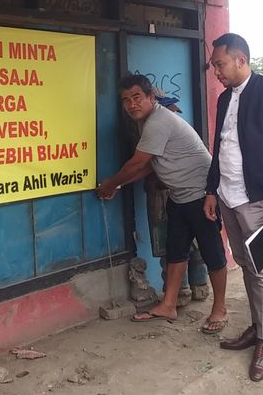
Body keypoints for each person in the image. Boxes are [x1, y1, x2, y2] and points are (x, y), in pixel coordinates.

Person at [96, 74, 229, 334]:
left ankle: (220, 308)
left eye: (136, 97)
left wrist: (110, 184)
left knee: (212, 253)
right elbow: (146, 167)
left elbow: (137, 163)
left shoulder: (158, 121)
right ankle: (168, 304)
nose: (131, 104)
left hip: (202, 196)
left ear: (150, 98)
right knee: (176, 251)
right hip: (179, 196)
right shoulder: (147, 124)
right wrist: (118, 185)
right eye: (126, 100)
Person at [203, 33, 263, 382]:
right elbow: (220, 147)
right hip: (228, 196)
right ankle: (257, 328)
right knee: (244, 263)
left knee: (261, 270)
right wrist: (211, 190)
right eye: (214, 66)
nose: (216, 72)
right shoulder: (225, 99)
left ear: (241, 60)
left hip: (256, 198)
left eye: (220, 65)